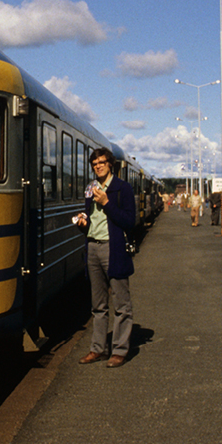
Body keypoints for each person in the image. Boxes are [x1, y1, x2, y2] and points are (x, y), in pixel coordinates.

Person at [73, 147, 136, 368]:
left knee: (121, 304)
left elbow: (130, 221)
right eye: (94, 163)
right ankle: (98, 349)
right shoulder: (91, 189)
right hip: (93, 248)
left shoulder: (122, 189)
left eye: (101, 162)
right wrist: (83, 224)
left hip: (114, 249)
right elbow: (92, 220)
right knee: (98, 305)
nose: (97, 166)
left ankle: (119, 350)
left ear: (110, 164)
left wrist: (107, 203)